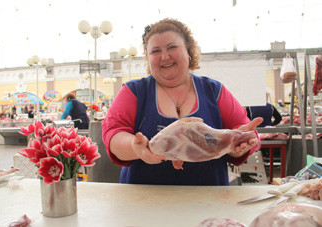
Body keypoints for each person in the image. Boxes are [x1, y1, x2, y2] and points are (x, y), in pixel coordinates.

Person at [102, 18, 262, 186]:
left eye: (172, 47)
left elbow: (242, 129)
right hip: (143, 201)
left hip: (208, 200)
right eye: (155, 51)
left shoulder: (214, 91)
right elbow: (113, 135)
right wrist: (136, 148)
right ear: (148, 57)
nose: (164, 56)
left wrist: (239, 145)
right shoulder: (133, 91)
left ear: (188, 50)